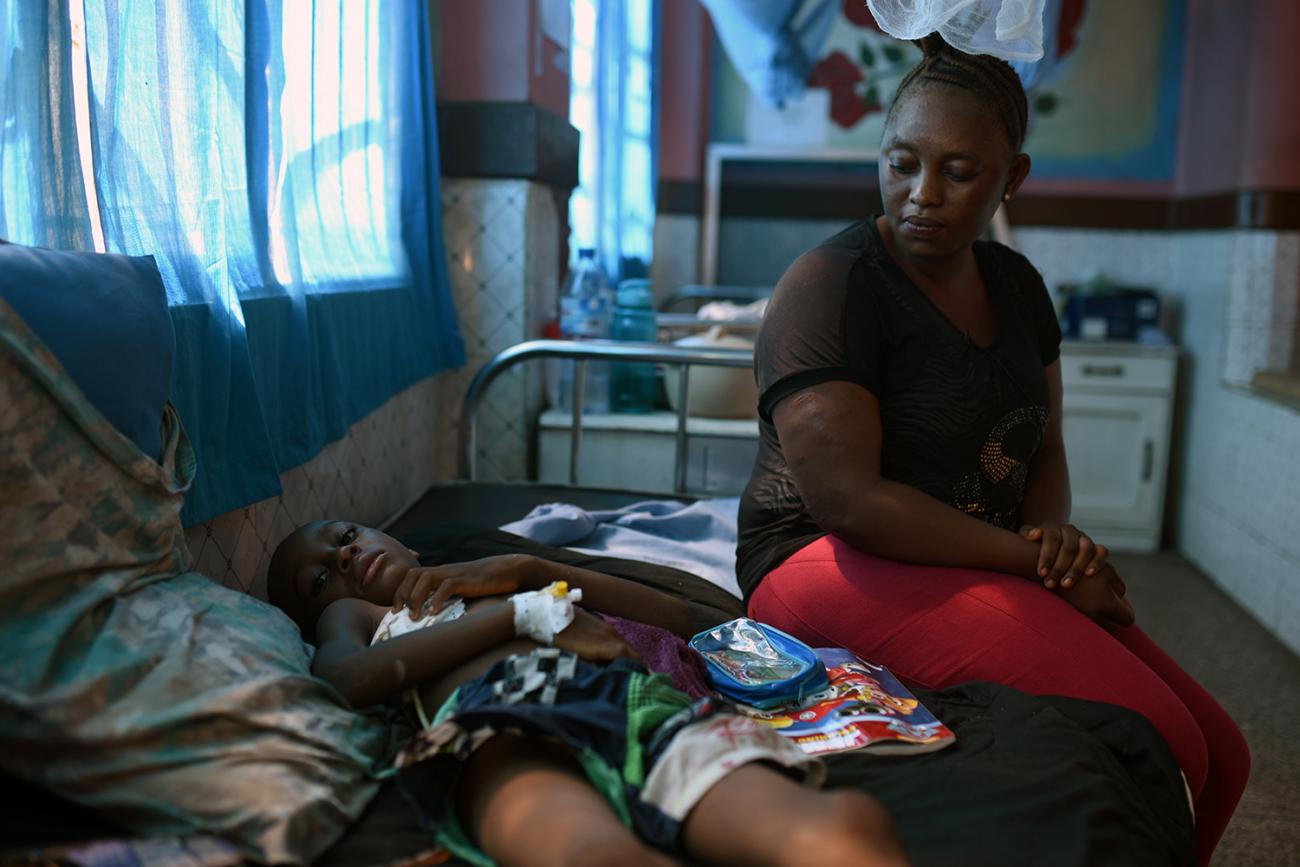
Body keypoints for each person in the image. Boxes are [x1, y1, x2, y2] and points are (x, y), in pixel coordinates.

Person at [736, 34, 1247, 866]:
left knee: (1223, 753)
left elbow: (1041, 449)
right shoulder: (833, 286)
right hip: (820, 560)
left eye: (960, 173)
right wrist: (1028, 561)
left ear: (1013, 178)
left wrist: (1053, 547)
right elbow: (848, 502)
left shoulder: (1017, 287)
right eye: (902, 163)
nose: (921, 195)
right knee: (1164, 740)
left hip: (969, 558)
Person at [267, 519, 910, 867]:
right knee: (592, 853)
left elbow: (688, 622)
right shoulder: (360, 621)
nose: (346, 559)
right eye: (321, 577)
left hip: (625, 698)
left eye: (347, 538)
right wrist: (521, 616)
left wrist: (535, 573)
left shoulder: (488, 577)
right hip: (496, 725)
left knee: (836, 827)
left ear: (402, 541)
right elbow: (348, 681)